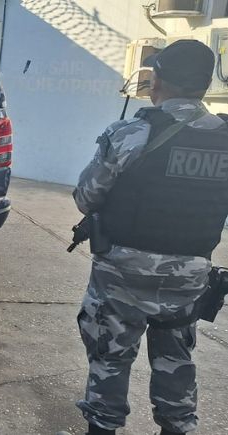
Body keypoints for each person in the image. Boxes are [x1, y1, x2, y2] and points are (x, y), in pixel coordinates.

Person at [69, 40, 228, 435]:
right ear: (205, 85)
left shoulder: (130, 132)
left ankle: (103, 427)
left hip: (122, 273)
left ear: (158, 81)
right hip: (189, 274)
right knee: (176, 361)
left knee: (109, 358)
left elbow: (86, 197)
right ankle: (177, 426)